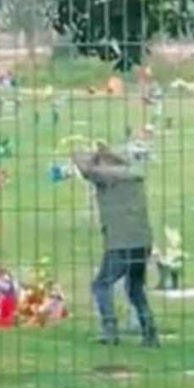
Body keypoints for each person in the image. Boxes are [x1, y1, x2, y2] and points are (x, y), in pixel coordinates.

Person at [72, 146, 159, 347]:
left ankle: (110, 330)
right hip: (142, 241)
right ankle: (150, 332)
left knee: (101, 285)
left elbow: (82, 164)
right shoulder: (132, 175)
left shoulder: (107, 178)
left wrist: (88, 153)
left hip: (120, 242)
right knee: (135, 288)